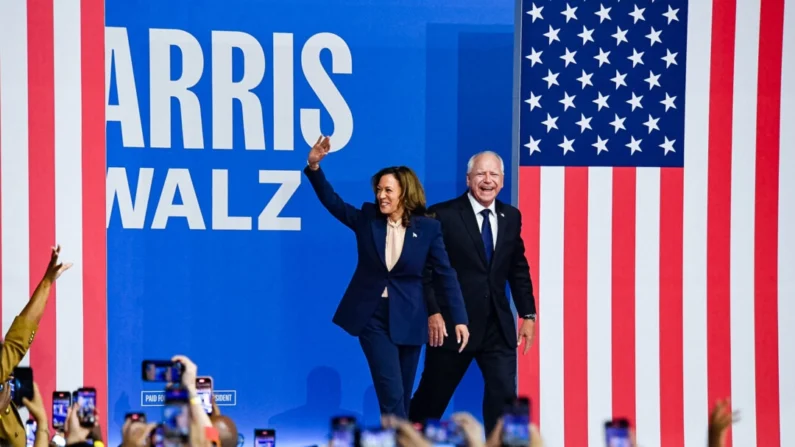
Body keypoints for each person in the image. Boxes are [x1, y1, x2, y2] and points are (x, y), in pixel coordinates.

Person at [304, 135, 470, 419]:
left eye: (388, 190)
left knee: (403, 398)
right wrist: (315, 168)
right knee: (391, 394)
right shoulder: (367, 219)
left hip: (410, 317)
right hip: (373, 317)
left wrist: (460, 318)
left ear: (404, 193)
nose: (381, 195)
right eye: (379, 190)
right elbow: (334, 203)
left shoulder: (428, 229)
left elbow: (445, 274)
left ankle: (399, 440)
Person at [409, 151, 536, 433]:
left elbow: (518, 268)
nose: (487, 180)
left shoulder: (511, 216)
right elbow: (425, 272)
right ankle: (406, 440)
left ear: (502, 181)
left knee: (504, 399)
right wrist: (434, 312)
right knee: (431, 399)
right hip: (454, 326)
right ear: (468, 179)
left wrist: (528, 314)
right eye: (481, 174)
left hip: (497, 327)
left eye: (493, 175)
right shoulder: (442, 215)